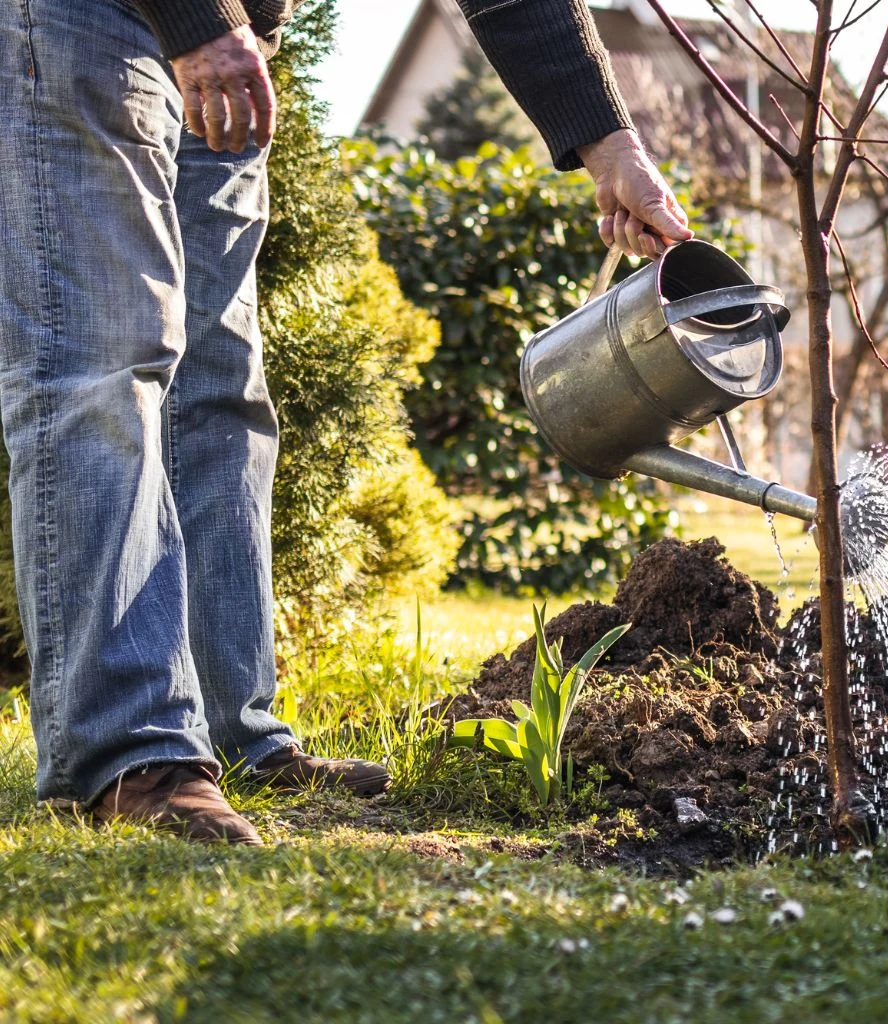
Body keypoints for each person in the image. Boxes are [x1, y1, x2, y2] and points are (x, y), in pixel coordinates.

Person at [0, 0, 692, 846]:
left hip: (230, 33)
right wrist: (198, 22)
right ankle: (128, 752)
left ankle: (232, 732)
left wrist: (610, 146)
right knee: (108, 364)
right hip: (92, 17)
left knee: (217, 392)